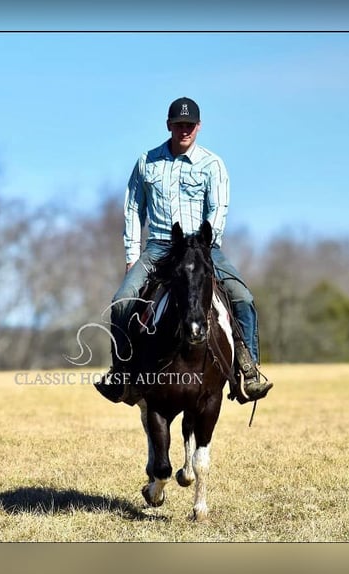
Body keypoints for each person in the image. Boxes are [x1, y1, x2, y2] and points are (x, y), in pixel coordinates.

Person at [95, 97, 273, 405]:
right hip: (159, 248)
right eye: (178, 125)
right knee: (121, 302)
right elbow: (133, 210)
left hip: (202, 249)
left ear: (199, 127)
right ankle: (122, 375)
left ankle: (248, 368)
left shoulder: (212, 164)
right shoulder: (146, 162)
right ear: (168, 125)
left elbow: (219, 208)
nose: (184, 130)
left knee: (243, 298)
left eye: (189, 125)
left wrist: (202, 243)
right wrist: (131, 257)